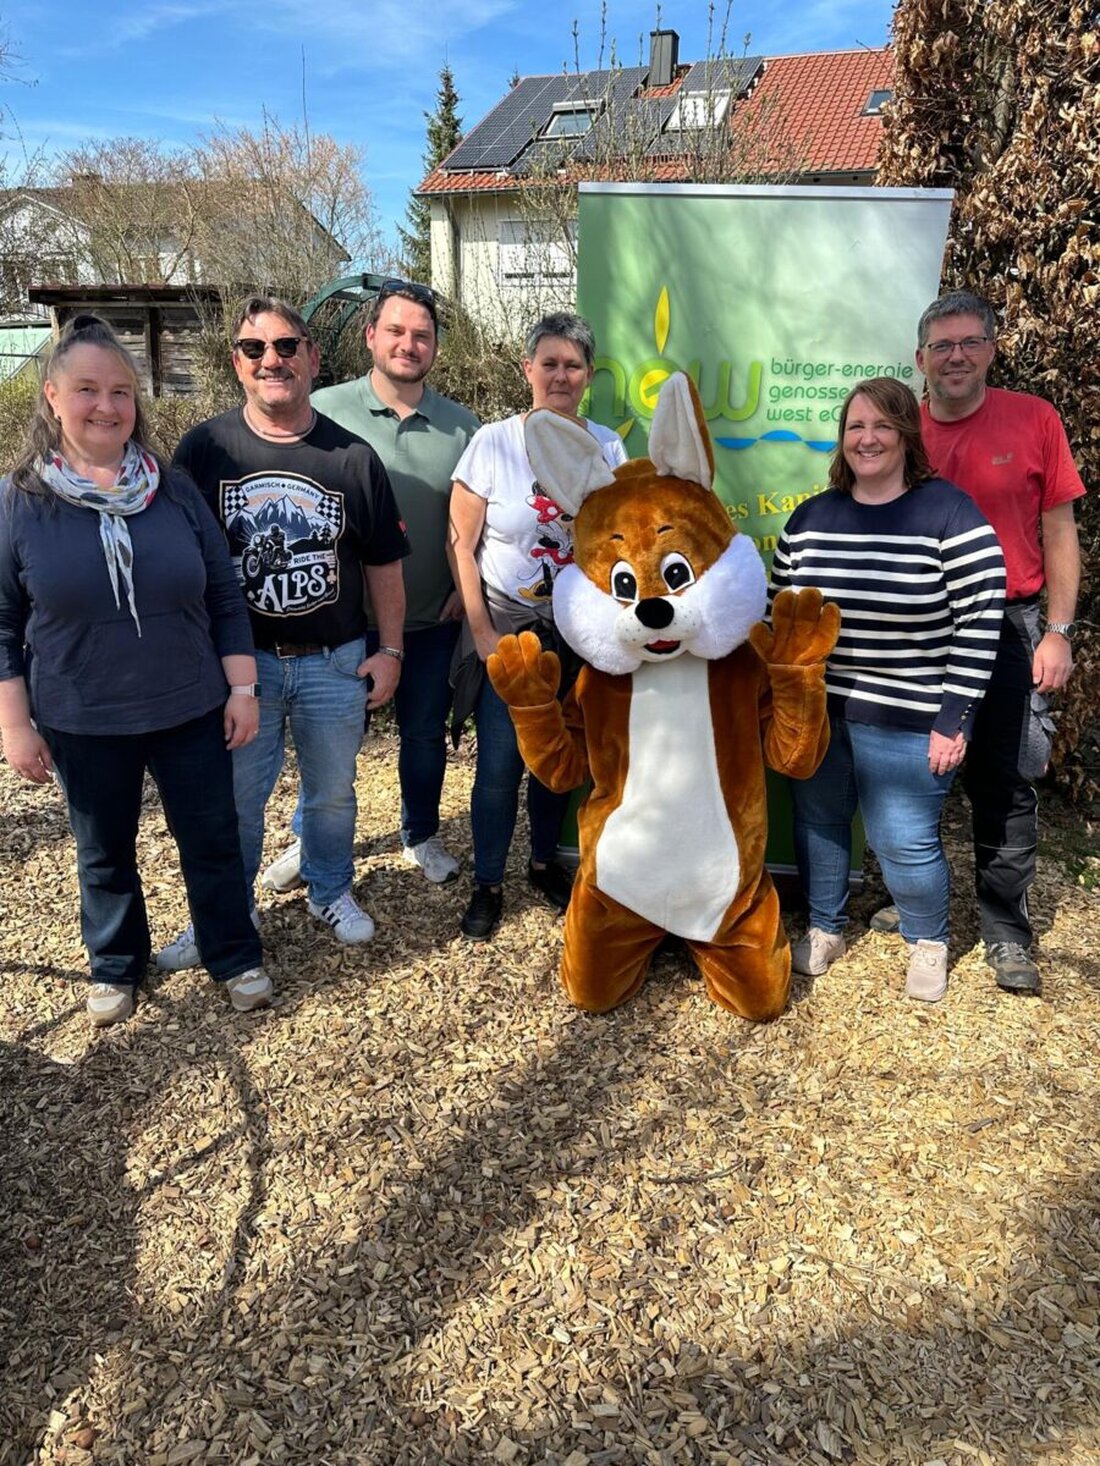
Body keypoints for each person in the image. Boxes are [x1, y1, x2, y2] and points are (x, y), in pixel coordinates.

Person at [0, 315, 272, 1026]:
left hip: (190, 707)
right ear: (52, 397)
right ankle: (116, 965)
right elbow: (2, 626)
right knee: (103, 853)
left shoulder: (172, 490)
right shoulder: (19, 503)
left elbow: (223, 594)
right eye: (87, 389)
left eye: (121, 391)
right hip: (83, 716)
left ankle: (233, 953)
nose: (107, 406)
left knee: (212, 843)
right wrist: (15, 726)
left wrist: (242, 688)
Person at [157, 295, 409, 968]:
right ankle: (225, 915)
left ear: (313, 357)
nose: (272, 360)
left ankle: (329, 889)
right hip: (244, 670)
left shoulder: (351, 457)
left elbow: (384, 563)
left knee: (332, 793)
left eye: (286, 347)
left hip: (335, 661)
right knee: (237, 801)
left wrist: (390, 650)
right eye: (254, 349)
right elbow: (172, 554)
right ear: (237, 364)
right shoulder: (205, 449)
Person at [872, 290, 1086, 995]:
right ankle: (911, 901)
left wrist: (1056, 631)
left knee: (1004, 777)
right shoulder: (899, 430)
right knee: (910, 772)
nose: (956, 356)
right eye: (942, 346)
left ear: (992, 350)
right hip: (916, 633)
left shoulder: (1034, 420)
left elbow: (1059, 531)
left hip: (1011, 624)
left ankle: (1004, 930)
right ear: (920, 359)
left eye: (969, 343)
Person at [770, 377, 1005, 1002]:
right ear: (841, 440)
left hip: (914, 717)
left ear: (906, 435)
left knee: (901, 839)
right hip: (822, 715)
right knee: (820, 823)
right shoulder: (811, 519)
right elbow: (781, 618)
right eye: (855, 427)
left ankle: (927, 940)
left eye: (881, 426)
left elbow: (981, 622)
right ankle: (825, 928)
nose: (866, 438)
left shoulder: (950, 515)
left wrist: (954, 719)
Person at [262, 278, 479, 893]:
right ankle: (310, 839)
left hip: (433, 618)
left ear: (435, 346)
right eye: (396, 331)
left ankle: (420, 833)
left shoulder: (464, 428)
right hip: (341, 621)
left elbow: (480, 523)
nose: (408, 344)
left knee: (424, 735)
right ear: (370, 337)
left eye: (422, 335)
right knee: (331, 742)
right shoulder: (323, 410)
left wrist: (468, 591)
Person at [447, 312, 628, 941]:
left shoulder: (607, 448)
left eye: (572, 365)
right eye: (547, 363)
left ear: (589, 376)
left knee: (561, 757)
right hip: (510, 630)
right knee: (501, 761)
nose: (560, 375)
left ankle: (545, 862)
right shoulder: (492, 443)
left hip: (581, 633)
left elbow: (620, 542)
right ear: (527, 370)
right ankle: (488, 884)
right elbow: (460, 545)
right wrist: (480, 634)